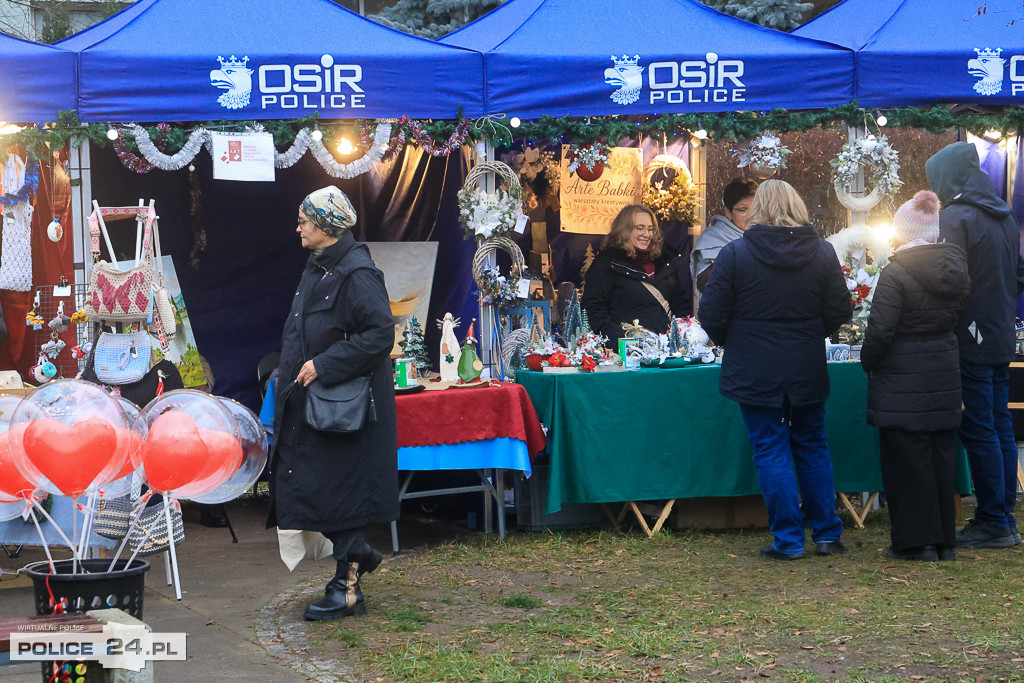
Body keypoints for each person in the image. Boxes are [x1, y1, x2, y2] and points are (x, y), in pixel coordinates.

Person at [698, 179, 852, 560]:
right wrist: (812, 334)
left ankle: (788, 539)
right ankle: (827, 534)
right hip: (806, 363)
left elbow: (711, 314)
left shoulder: (735, 254)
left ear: (759, 209)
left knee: (770, 448)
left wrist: (733, 341)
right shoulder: (822, 252)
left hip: (754, 366)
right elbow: (839, 311)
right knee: (812, 445)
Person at [267, 185, 399, 621]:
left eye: (304, 218)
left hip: (346, 405)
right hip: (311, 399)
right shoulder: (319, 265)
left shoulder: (357, 273)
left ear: (325, 225)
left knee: (340, 490)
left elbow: (380, 334)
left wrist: (324, 364)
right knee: (303, 484)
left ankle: (346, 588)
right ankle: (359, 555)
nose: (298, 226)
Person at [860, 191, 970, 562]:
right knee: (940, 458)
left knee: (907, 462)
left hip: (901, 378)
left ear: (902, 231)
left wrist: (868, 360)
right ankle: (944, 542)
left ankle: (915, 542)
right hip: (942, 372)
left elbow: (880, 332)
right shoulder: (954, 267)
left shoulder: (896, 272)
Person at [926, 142, 1024, 549]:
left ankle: (993, 521)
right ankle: (1002, 515)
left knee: (981, 428)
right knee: (1000, 425)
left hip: (972, 335)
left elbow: (948, 280)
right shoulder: (1002, 215)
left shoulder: (956, 217)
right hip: (999, 332)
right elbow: (1018, 275)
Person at [581, 204, 689, 345]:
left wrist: (681, 334)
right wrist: (625, 342)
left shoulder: (665, 262)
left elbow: (680, 304)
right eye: (640, 228)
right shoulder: (606, 264)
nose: (647, 234)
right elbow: (594, 311)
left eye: (650, 229)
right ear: (624, 230)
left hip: (667, 350)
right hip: (628, 353)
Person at [691, 178, 758, 294]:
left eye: (756, 210)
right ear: (728, 212)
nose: (751, 216)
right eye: (743, 210)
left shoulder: (766, 236)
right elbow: (708, 285)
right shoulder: (712, 240)